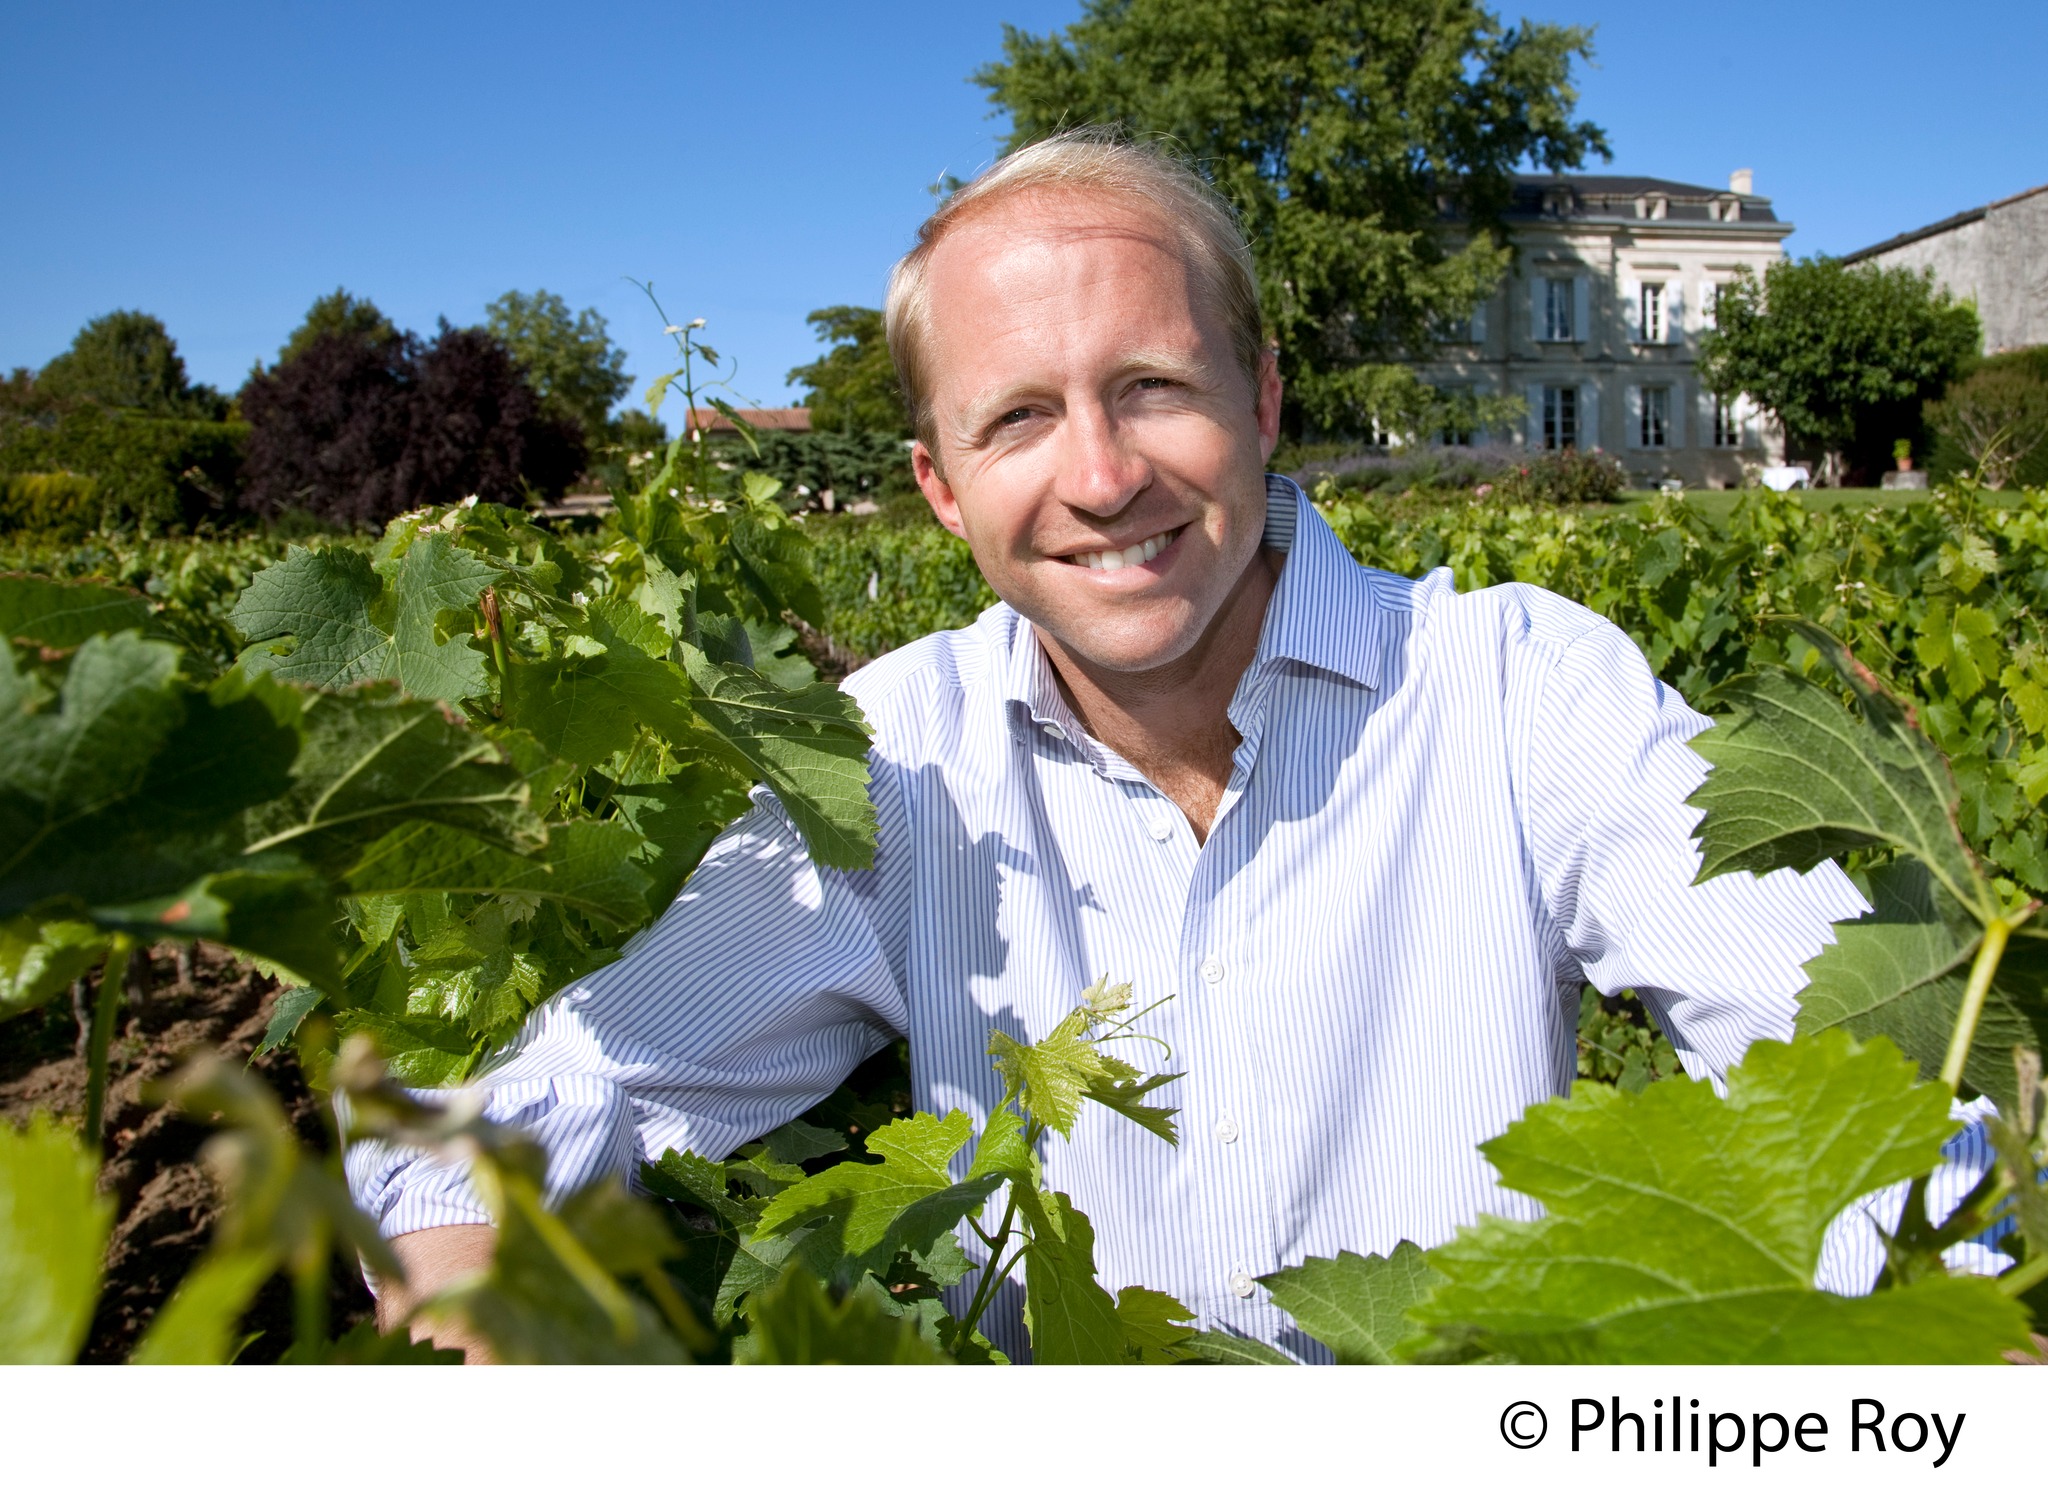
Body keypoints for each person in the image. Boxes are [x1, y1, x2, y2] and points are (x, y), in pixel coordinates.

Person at [350, 133, 1877, 1360]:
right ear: (941, 487)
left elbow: (1858, 1082)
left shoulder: (1519, 689)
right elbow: (541, 1111)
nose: (1098, 473)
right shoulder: (896, 756)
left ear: (1263, 399)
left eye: (1151, 387)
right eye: (1016, 418)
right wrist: (474, 1277)